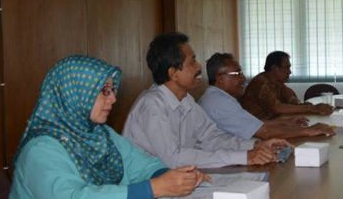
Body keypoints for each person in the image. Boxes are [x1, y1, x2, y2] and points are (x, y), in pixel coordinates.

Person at [0, 55, 207, 199]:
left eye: (112, 90)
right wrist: (155, 187)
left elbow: (142, 165)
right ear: (74, 93)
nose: (113, 98)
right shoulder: (40, 149)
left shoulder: (100, 134)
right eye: (104, 91)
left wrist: (173, 177)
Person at [123, 32, 289, 169]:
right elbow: (174, 159)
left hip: (175, 180)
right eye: (192, 62)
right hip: (148, 191)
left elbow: (211, 138)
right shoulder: (152, 105)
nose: (199, 67)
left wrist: (255, 145)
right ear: (173, 73)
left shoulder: (185, 100)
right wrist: (244, 157)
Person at [199, 53, 336, 140]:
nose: (243, 78)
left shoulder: (221, 98)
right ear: (220, 78)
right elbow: (265, 130)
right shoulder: (220, 103)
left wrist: (286, 122)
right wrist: (309, 130)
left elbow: (253, 124)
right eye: (237, 74)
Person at [241, 51, 333, 120]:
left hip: (272, 123)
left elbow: (293, 101)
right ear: (275, 68)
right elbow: (277, 108)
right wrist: (311, 108)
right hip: (256, 130)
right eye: (287, 67)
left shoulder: (277, 83)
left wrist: (309, 106)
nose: (290, 72)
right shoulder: (261, 83)